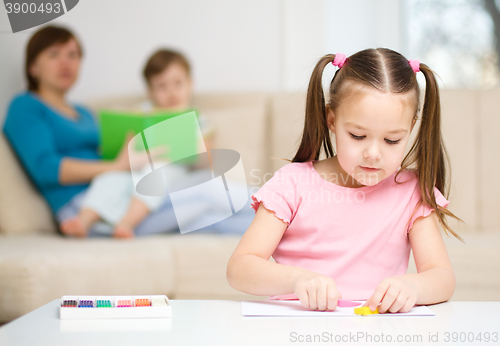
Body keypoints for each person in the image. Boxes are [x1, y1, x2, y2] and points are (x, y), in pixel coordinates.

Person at [226, 49, 464, 314]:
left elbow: (443, 278)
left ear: (411, 127)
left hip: (377, 329)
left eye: (392, 140)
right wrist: (296, 280)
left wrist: (413, 287)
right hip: (297, 328)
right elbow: (239, 268)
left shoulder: (411, 192)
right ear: (332, 119)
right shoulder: (292, 184)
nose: (373, 154)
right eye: (357, 135)